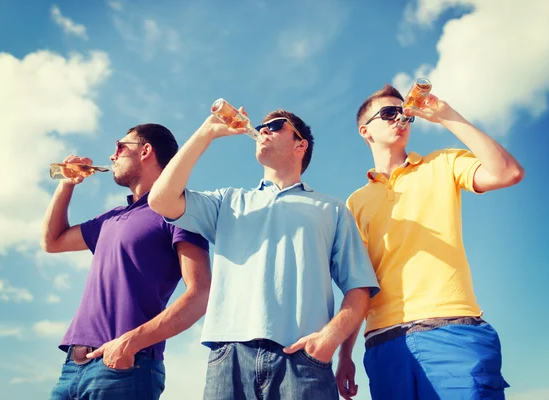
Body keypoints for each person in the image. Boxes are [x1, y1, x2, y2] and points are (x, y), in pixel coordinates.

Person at [148, 108, 380, 399]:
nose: (264, 129)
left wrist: (329, 339)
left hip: (303, 359)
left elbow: (359, 287)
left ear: (300, 144)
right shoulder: (227, 201)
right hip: (228, 357)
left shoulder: (331, 209)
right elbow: (160, 199)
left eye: (276, 125)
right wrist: (206, 132)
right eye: (262, 125)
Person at [336, 84, 525, 400]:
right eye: (388, 113)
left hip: (453, 332)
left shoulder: (445, 163)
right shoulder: (355, 202)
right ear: (365, 130)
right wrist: (345, 355)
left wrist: (445, 114)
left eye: (404, 113)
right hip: (384, 345)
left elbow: (508, 172)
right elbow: (359, 282)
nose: (400, 118)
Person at [41, 123, 211, 400]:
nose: (112, 156)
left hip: (126, 368)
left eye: (120, 147)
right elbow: (52, 241)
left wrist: (129, 344)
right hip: (71, 369)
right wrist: (66, 184)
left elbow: (200, 292)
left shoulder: (179, 211)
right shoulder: (110, 217)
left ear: (146, 151)